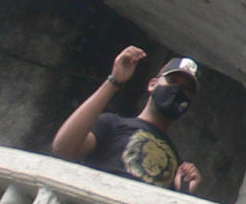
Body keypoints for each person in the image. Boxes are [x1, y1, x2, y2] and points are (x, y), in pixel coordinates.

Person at [52, 48, 202, 192]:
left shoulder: (178, 165)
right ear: (152, 84)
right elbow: (64, 149)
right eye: (173, 80)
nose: (178, 90)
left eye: (187, 89)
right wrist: (114, 81)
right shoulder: (113, 124)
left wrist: (184, 191)